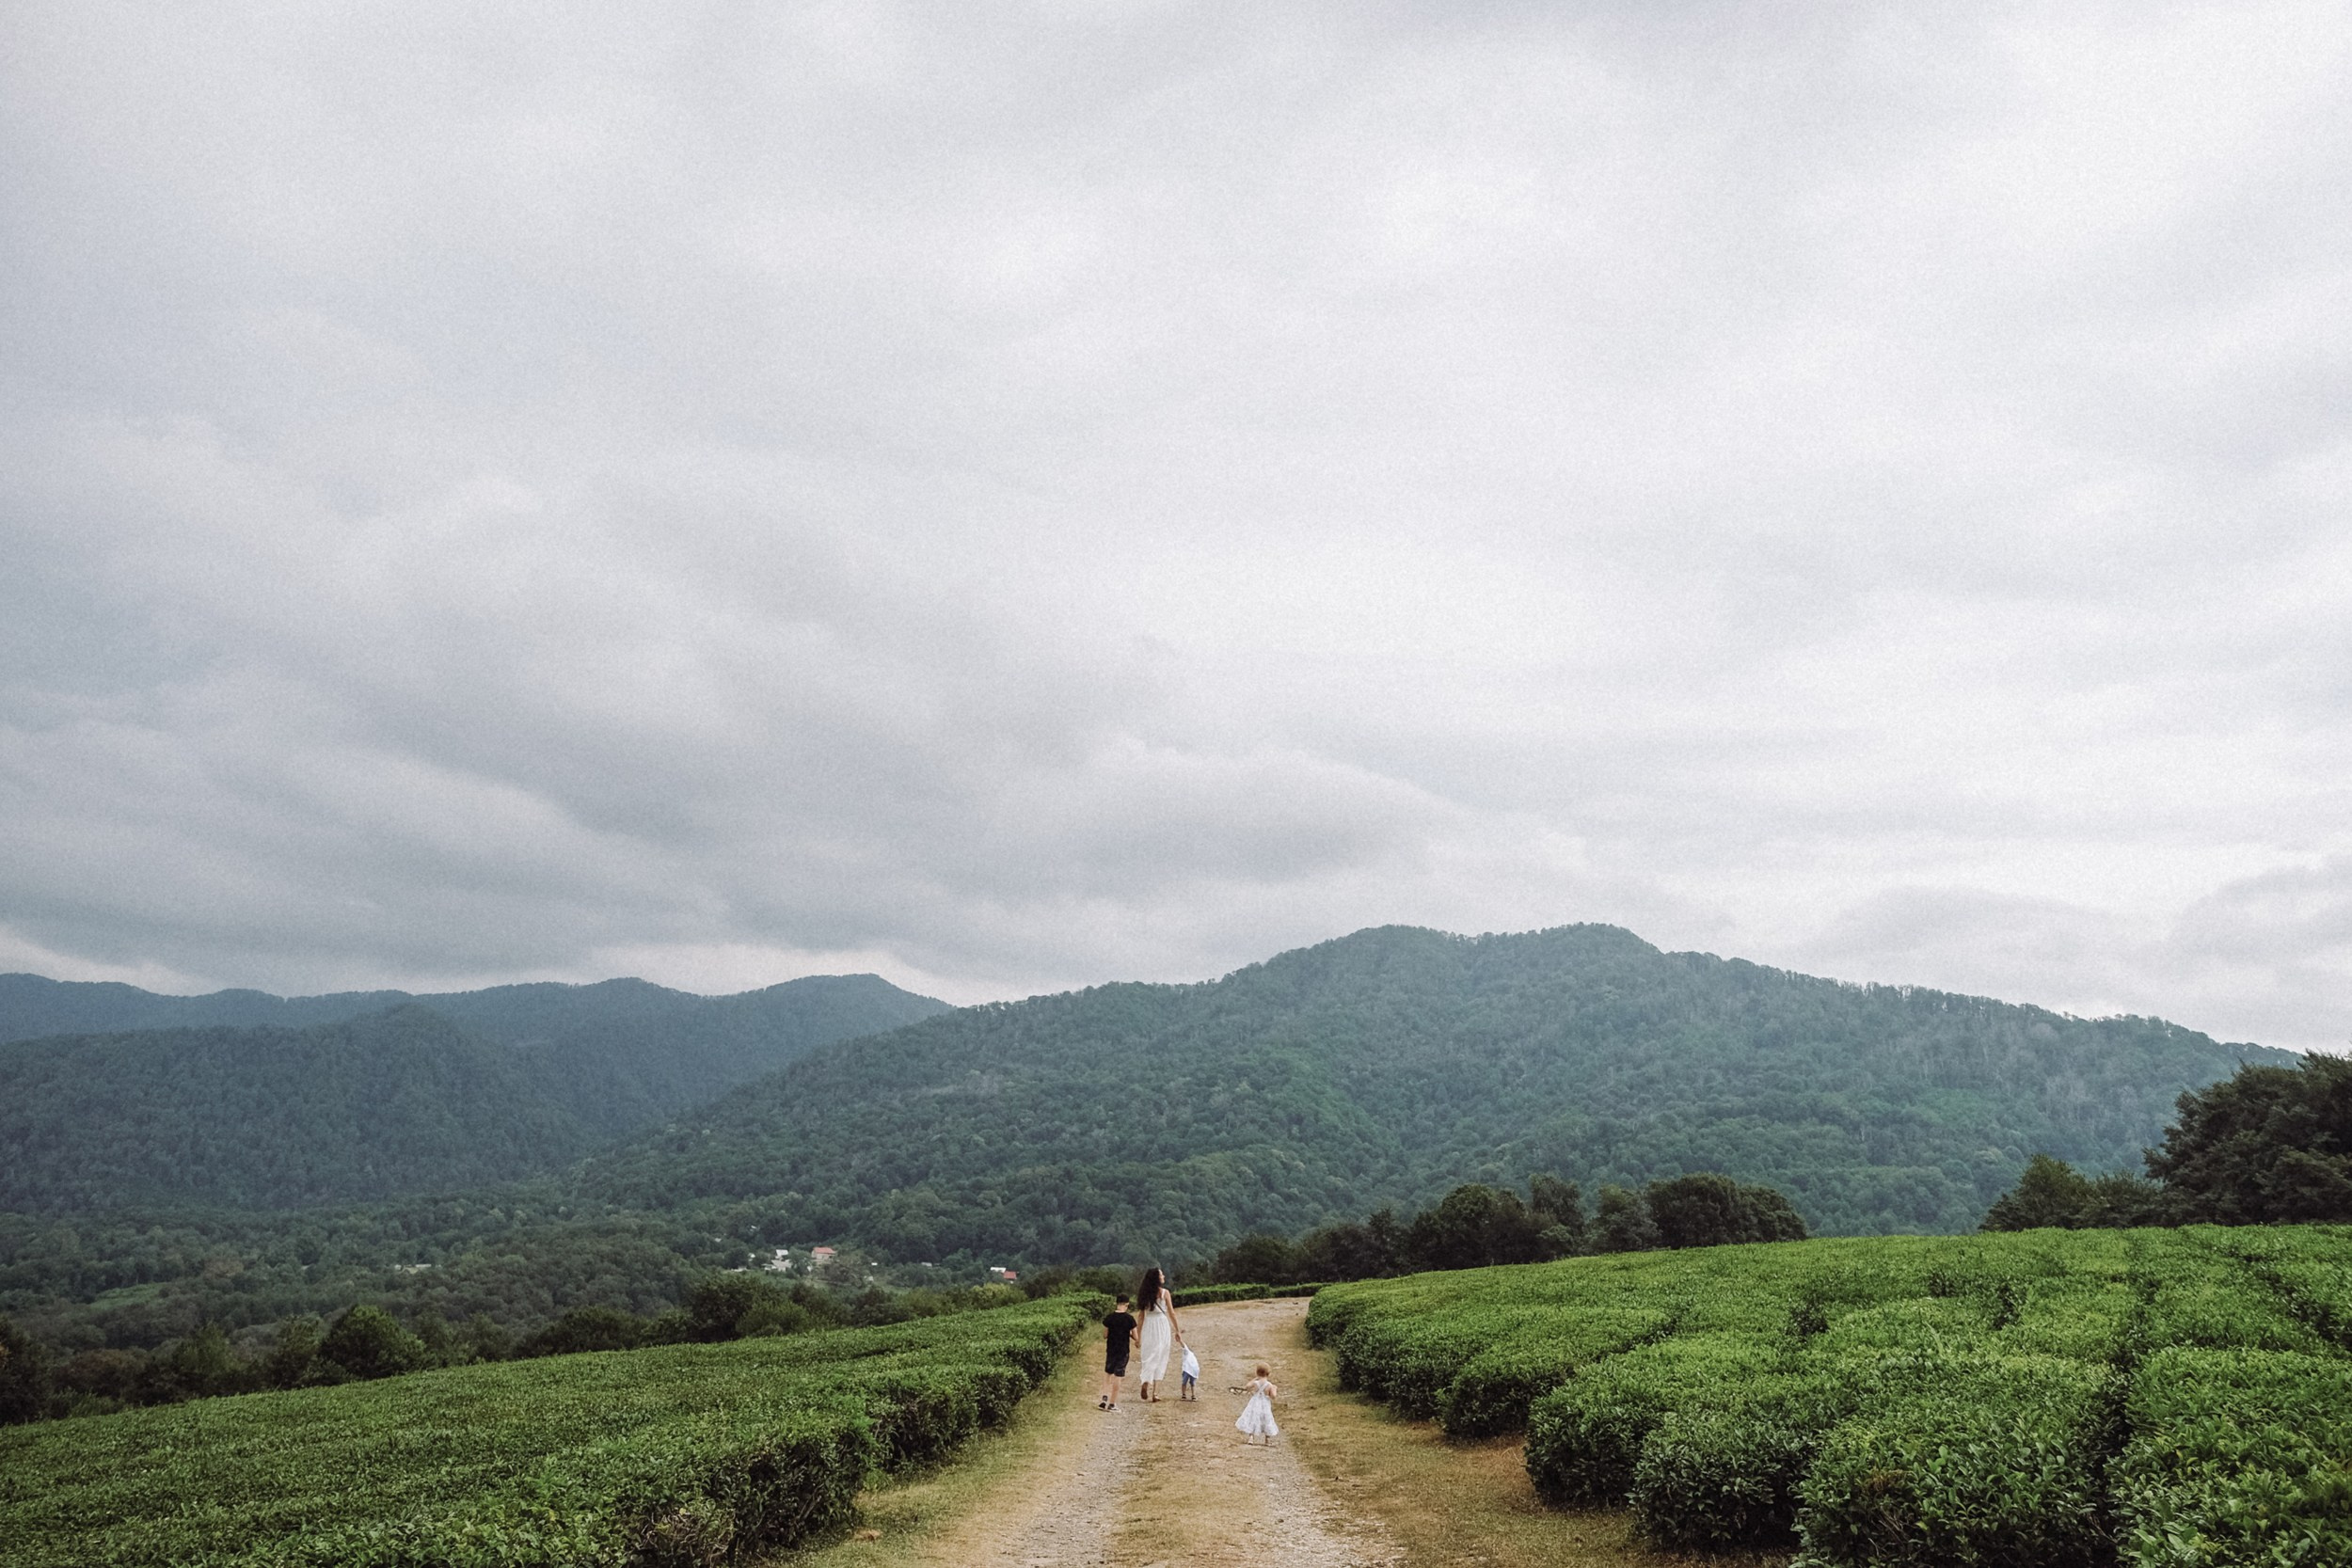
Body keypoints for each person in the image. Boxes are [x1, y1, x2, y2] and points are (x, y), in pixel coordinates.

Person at [1133, 1267, 1185, 1402]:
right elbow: (1172, 1313)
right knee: (1161, 1356)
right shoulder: (1164, 1293)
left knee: (1149, 1355)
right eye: (1161, 1275)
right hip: (1161, 1325)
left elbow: (1141, 1317)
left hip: (1149, 1326)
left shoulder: (1144, 1294)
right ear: (1157, 1278)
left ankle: (1146, 1380)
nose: (1164, 1277)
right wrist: (1177, 1330)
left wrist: (1138, 1337)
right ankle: (1155, 1393)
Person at [1100, 1294, 1138, 1411]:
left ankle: (1104, 1399)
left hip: (1111, 1349)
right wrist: (1129, 1334)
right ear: (1127, 1304)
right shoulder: (1129, 1319)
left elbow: (1105, 1335)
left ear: (1116, 1303)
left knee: (1108, 1373)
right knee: (1118, 1376)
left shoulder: (1109, 1318)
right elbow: (1136, 1337)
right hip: (1123, 1350)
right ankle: (1112, 1403)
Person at [1236, 1362, 1279, 1444]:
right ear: (1268, 1373)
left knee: (1253, 1417)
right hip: (1265, 1404)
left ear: (1257, 1372)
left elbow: (1247, 1387)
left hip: (1255, 1402)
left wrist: (1254, 1379)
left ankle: (1251, 1437)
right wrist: (1275, 1389)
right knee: (1266, 1419)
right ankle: (1267, 1439)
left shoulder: (1256, 1383)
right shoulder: (1269, 1385)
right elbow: (1273, 1396)